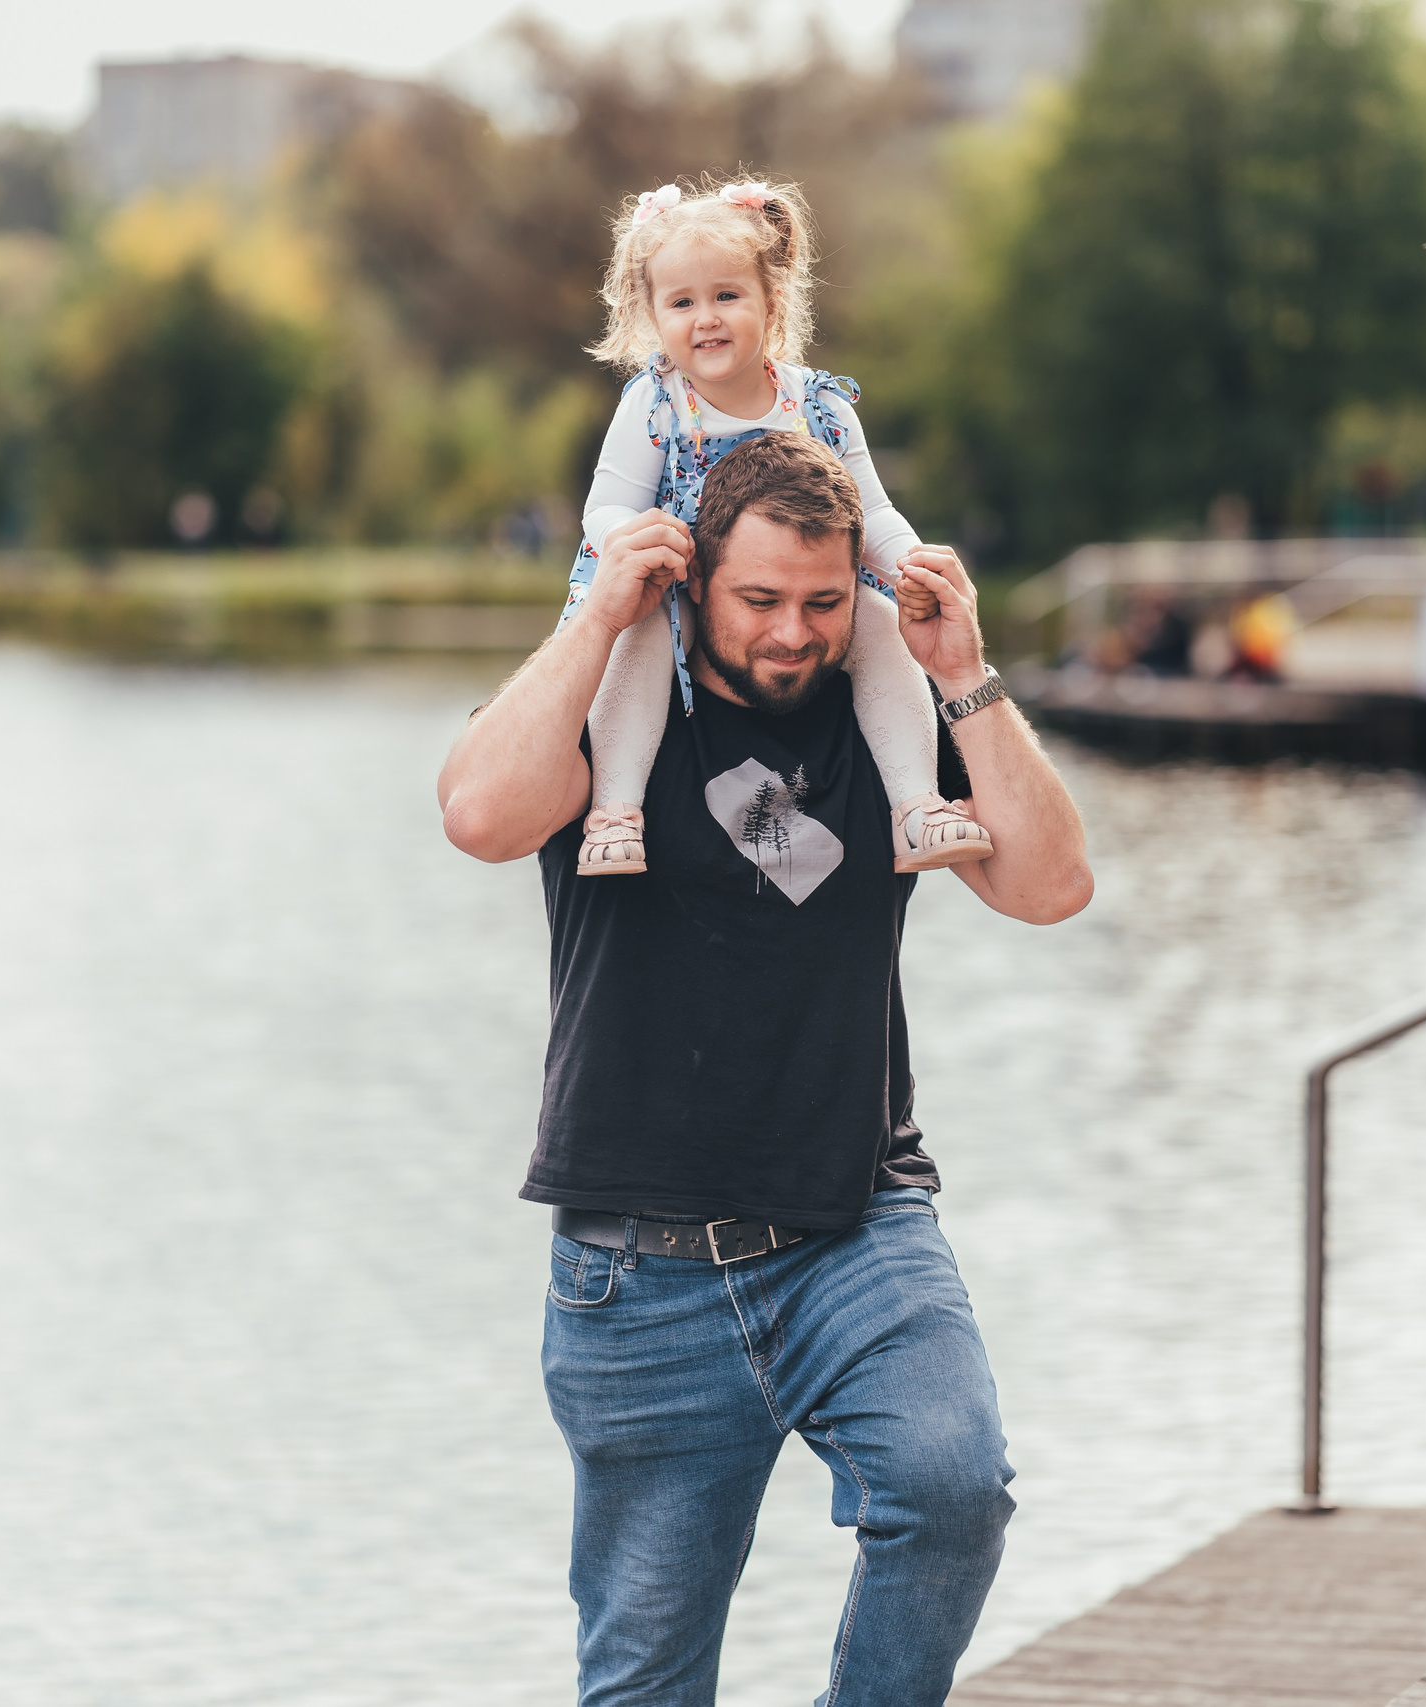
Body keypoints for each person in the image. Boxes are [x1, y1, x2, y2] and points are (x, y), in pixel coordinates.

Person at [437, 431, 1094, 1706]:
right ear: (691, 588)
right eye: (759, 601)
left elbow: (1054, 885)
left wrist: (961, 672)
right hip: (639, 1270)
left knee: (953, 1489)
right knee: (646, 1682)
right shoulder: (612, 732)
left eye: (822, 603)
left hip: (857, 1223)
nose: (794, 633)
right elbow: (477, 816)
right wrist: (597, 618)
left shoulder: (883, 731)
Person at [557, 173, 990, 880]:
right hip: (677, 580)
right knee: (639, 638)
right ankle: (614, 812)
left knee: (879, 627)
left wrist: (909, 561)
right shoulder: (656, 404)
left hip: (789, 593)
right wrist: (637, 540)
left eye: (727, 295)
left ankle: (917, 806)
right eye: (682, 302)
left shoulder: (817, 405)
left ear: (771, 299)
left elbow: (871, 509)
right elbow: (604, 506)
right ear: (653, 315)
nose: (707, 318)